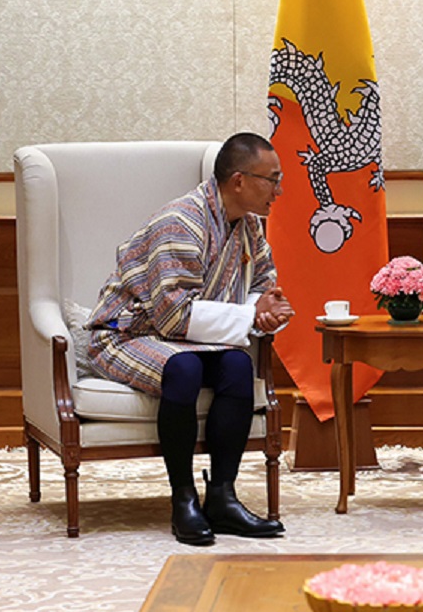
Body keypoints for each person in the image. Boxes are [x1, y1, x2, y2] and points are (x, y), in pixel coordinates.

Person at [87, 133, 295, 546]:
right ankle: (183, 498)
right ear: (239, 180)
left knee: (237, 366)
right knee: (182, 368)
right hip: (127, 333)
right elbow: (172, 315)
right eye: (273, 178)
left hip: (187, 337)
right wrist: (249, 314)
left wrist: (265, 310)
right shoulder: (181, 223)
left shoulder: (250, 226)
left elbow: (263, 286)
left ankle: (222, 496)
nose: (279, 189)